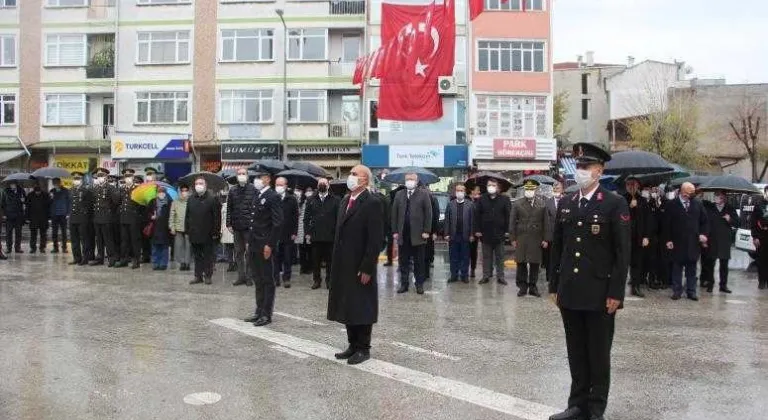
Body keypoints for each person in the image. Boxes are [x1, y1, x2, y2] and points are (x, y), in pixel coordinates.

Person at [548, 142, 630, 420]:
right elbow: (558, 248)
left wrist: (616, 293)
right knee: (576, 352)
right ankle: (576, 404)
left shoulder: (614, 203)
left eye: (586, 167)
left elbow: (622, 253)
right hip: (570, 291)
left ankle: (595, 409)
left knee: (598, 353)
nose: (581, 171)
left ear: (599, 170)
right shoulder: (568, 202)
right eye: (578, 166)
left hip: (599, 292)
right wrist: (553, 285)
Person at [328, 165, 383, 365]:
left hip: (360, 263)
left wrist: (368, 266)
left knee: (362, 305)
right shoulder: (345, 200)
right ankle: (352, 344)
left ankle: (363, 348)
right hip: (344, 263)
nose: (350, 177)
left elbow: (375, 239)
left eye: (355, 174)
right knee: (348, 305)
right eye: (350, 173)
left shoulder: (372, 202)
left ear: (365, 180)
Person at [243, 168, 283, 327]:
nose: (256, 181)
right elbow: (254, 223)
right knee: (258, 279)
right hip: (254, 244)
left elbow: (277, 223)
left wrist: (270, 244)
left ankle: (266, 314)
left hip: (265, 245)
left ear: (267, 179)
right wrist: (249, 242)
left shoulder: (273, 196)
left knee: (267, 280)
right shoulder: (258, 195)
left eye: (259, 177)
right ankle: (258, 311)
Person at [663, 182, 709, 301]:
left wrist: (703, 234)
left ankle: (691, 291)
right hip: (677, 242)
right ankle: (677, 291)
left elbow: (704, 221)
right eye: (689, 193)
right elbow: (666, 224)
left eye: (693, 193)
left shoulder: (697, 204)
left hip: (693, 243)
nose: (691, 195)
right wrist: (668, 239)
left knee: (692, 269)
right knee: (677, 268)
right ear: (683, 192)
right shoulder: (672, 205)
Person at [391, 173, 433, 295]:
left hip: (419, 235)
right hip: (403, 234)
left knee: (419, 261)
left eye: (412, 179)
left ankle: (419, 284)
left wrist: (427, 231)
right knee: (403, 261)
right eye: (407, 179)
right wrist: (394, 231)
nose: (409, 181)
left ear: (417, 181)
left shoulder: (424, 194)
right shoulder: (399, 194)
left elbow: (428, 214)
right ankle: (404, 284)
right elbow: (394, 214)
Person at [510, 179, 550, 297]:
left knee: (534, 263)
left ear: (536, 190)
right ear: (524, 190)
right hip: (521, 237)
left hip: (536, 238)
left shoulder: (542, 203)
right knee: (521, 262)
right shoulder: (517, 203)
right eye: (527, 189)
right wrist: (512, 238)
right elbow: (512, 222)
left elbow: (546, 223)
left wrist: (546, 239)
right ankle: (522, 286)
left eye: (531, 189)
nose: (529, 191)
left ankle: (533, 286)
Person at [304, 178, 340, 289]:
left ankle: (329, 280)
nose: (322, 185)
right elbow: (306, 218)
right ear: (317, 185)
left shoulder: (336, 200)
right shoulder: (311, 199)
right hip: (316, 236)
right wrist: (307, 233)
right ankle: (316, 280)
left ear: (328, 185)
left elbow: (339, 218)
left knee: (330, 261)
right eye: (320, 183)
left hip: (331, 236)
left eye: (324, 183)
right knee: (316, 260)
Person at [474, 178, 511, 285]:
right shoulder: (482, 199)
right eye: (489, 185)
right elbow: (477, 216)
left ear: (497, 187)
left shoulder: (504, 199)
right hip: (485, 233)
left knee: (500, 256)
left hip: (500, 233)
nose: (491, 187)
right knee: (486, 256)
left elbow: (508, 216)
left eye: (493, 185)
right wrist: (477, 230)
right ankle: (486, 275)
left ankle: (501, 276)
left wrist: (508, 231)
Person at [701, 190, 738, 294]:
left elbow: (738, 222)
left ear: (724, 198)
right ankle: (710, 284)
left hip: (724, 240)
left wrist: (730, 219)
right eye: (716, 196)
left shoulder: (729, 208)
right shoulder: (709, 208)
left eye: (719, 196)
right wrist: (705, 238)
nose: (717, 198)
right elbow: (704, 223)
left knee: (724, 264)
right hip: (712, 239)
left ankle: (723, 285)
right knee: (710, 264)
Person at [185, 178, 221, 285]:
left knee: (207, 256)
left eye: (201, 183)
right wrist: (187, 230)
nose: (198, 185)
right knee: (197, 256)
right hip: (194, 233)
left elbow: (217, 217)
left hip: (208, 233)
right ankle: (198, 276)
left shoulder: (212, 199)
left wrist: (216, 232)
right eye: (196, 183)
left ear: (205, 185)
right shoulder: (191, 199)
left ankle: (208, 276)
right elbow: (187, 216)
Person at [622, 176, 651, 297]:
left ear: (637, 186)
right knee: (623, 263)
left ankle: (636, 286)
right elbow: (620, 216)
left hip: (639, 237)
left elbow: (648, 220)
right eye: (629, 185)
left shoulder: (643, 201)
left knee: (637, 264)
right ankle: (618, 287)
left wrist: (646, 236)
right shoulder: (622, 199)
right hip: (625, 237)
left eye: (633, 185)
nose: (631, 187)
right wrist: (630, 207)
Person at [227, 168, 256, 285]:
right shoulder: (232, 190)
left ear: (247, 176)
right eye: (239, 174)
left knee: (249, 253)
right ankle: (241, 277)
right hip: (237, 227)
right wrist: (228, 223)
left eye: (243, 174)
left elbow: (256, 208)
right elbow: (229, 208)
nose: (241, 175)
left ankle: (249, 277)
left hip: (249, 227)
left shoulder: (253, 189)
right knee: (238, 252)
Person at [444, 184, 474, 283]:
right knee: (453, 257)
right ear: (455, 192)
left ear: (464, 192)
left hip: (465, 235)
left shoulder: (470, 204)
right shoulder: (450, 204)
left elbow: (472, 221)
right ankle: (454, 275)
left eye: (461, 191)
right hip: (453, 235)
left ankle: (464, 275)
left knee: (465, 256)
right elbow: (447, 220)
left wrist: (471, 234)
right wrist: (446, 233)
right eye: (457, 191)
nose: (459, 192)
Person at [90, 168, 118, 266]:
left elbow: (115, 202)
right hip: (97, 217)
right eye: (99, 176)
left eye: (102, 176)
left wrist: (109, 211)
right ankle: (100, 258)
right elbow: (93, 202)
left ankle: (111, 258)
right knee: (99, 239)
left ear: (106, 177)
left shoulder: (110, 188)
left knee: (108, 239)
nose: (100, 177)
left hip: (106, 217)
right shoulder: (96, 188)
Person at [275, 176, 299, 288]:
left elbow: (295, 217)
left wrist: (295, 232)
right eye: (277, 185)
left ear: (285, 186)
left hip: (288, 233)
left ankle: (286, 278)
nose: (278, 187)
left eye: (280, 185)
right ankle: (275, 279)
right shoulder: (273, 198)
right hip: (274, 234)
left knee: (287, 258)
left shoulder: (292, 199)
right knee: (275, 258)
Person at [116, 169, 142, 269]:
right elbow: (119, 202)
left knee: (135, 240)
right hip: (123, 218)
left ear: (133, 177)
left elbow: (141, 204)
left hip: (133, 218)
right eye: (126, 177)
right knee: (124, 240)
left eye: (129, 176)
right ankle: (124, 259)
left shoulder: (137, 189)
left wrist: (137, 214)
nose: (128, 178)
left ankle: (136, 260)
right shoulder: (122, 189)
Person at [68, 171, 93, 266]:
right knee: (74, 240)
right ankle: (76, 258)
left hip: (82, 218)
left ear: (82, 179)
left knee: (84, 239)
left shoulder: (86, 191)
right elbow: (70, 204)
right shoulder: (71, 190)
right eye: (74, 178)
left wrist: (86, 216)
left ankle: (85, 258)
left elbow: (89, 205)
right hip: (73, 218)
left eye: (78, 178)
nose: (76, 180)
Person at [543, 181, 564, 286]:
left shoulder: (567, 201)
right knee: (550, 258)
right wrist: (545, 238)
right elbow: (545, 221)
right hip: (551, 235)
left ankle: (561, 277)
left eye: (558, 188)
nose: (556, 190)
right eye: (555, 189)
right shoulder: (548, 202)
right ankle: (550, 277)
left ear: (562, 189)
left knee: (562, 257)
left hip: (563, 236)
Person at [148, 186, 173, 271]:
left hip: (165, 227)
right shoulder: (153, 202)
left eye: (163, 192)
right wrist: (151, 216)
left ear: (165, 193)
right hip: (155, 227)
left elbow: (172, 214)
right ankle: (155, 263)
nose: (161, 194)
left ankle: (163, 263)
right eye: (159, 192)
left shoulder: (169, 202)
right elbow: (147, 213)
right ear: (157, 193)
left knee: (164, 247)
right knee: (155, 246)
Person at [170, 185, 191, 271]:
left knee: (188, 247)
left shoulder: (191, 201)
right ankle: (182, 262)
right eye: (182, 190)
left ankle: (187, 263)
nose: (184, 192)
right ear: (179, 191)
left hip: (188, 227)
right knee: (179, 246)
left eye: (186, 190)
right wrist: (172, 226)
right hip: (178, 227)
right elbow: (172, 214)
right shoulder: (175, 202)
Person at [25, 183, 50, 254]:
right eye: (36, 192)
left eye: (38, 192)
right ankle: (33, 248)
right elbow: (27, 207)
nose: (37, 193)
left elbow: (48, 206)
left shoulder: (45, 195)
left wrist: (48, 217)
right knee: (33, 234)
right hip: (33, 218)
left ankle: (42, 247)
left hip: (43, 218)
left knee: (43, 234)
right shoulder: (30, 195)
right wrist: (27, 217)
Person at [1, 181, 25, 253]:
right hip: (9, 215)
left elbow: (25, 201)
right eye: (11, 184)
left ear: (16, 184)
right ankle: (9, 248)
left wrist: (23, 201)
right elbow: (3, 204)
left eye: (14, 184)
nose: (12, 185)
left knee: (18, 233)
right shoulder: (6, 191)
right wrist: (4, 214)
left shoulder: (21, 191)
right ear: (9, 185)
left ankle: (18, 248)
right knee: (8, 233)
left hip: (18, 215)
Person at [752, 185, 768, 290]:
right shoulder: (758, 206)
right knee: (761, 260)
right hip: (761, 237)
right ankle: (761, 281)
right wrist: (755, 237)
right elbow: (753, 222)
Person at [49, 178, 71, 254]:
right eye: (54, 183)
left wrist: (68, 213)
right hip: (54, 214)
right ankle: (55, 248)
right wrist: (51, 198)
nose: (55, 185)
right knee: (54, 232)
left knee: (64, 232)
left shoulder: (66, 191)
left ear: (59, 183)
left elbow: (69, 202)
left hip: (63, 214)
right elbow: (49, 203)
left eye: (56, 183)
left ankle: (64, 247)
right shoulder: (52, 191)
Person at [296, 186, 313, 275]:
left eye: (310, 190)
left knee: (309, 249)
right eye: (307, 190)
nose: (308, 192)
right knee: (302, 249)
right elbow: (297, 213)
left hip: (309, 227)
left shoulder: (313, 201)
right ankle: (303, 267)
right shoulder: (300, 201)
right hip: (300, 228)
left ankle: (310, 267)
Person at [424, 191, 439, 280]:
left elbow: (435, 216)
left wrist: (434, 231)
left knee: (427, 252)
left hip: (429, 230)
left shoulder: (432, 199)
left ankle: (426, 273)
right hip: (419, 230)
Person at [469, 186, 482, 278]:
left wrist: (478, 230)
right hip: (465, 229)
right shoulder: (466, 200)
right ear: (472, 191)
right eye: (476, 190)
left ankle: (472, 269)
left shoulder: (480, 202)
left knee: (473, 251)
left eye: (479, 190)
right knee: (465, 251)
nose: (477, 192)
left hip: (475, 230)